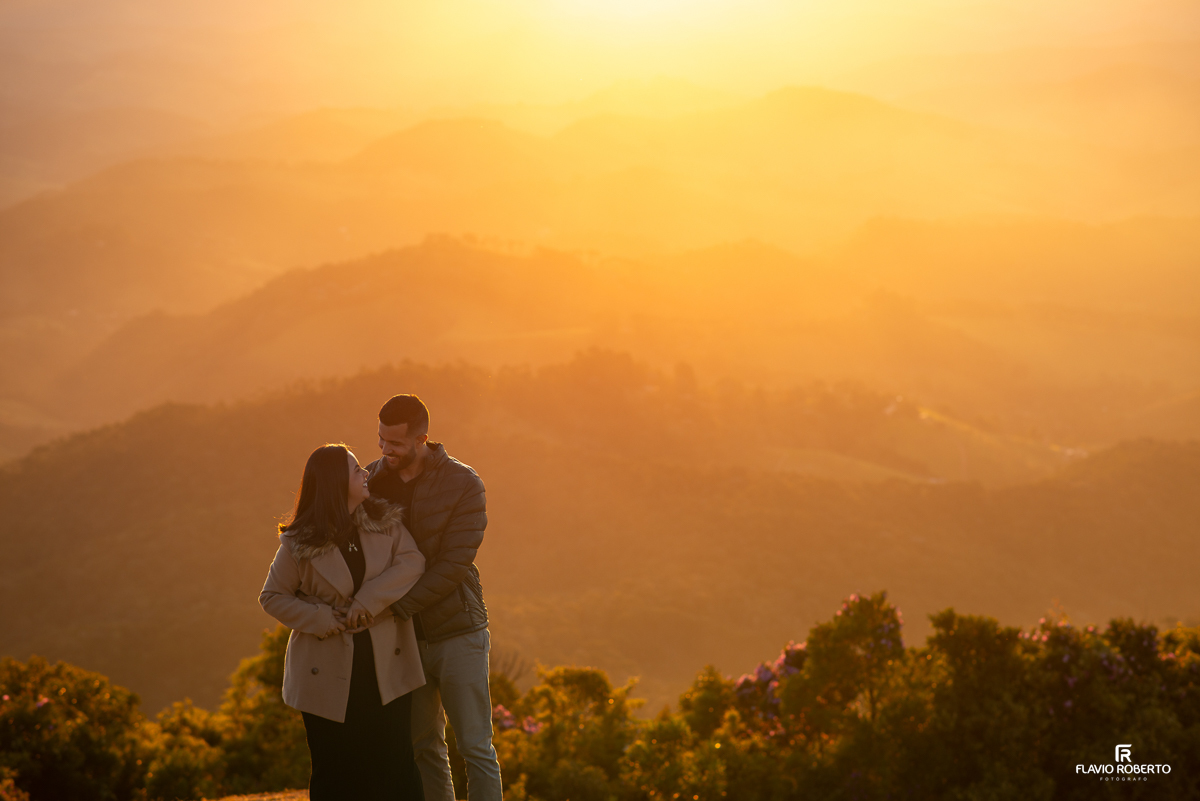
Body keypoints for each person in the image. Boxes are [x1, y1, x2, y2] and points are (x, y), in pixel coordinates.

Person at [260, 443, 427, 800]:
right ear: (336, 483)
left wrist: (368, 600)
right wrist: (320, 618)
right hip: (325, 670)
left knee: (396, 767)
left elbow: (412, 562)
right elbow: (272, 597)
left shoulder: (385, 522)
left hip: (386, 666)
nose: (366, 473)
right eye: (355, 470)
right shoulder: (297, 541)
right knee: (336, 772)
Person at [366, 394, 502, 801]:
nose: (385, 450)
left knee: (475, 746)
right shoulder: (371, 482)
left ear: (421, 439)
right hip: (403, 639)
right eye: (381, 440)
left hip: (458, 632)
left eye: (395, 443)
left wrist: (395, 607)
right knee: (423, 746)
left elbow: (453, 564)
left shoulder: (464, 483)